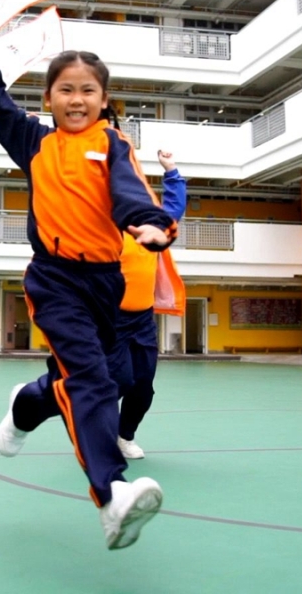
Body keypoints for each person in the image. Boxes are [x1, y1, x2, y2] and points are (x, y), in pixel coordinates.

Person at [0, 12, 177, 550]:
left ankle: (26, 404)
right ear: (49, 98)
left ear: (104, 100)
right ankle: (111, 494)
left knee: (81, 377)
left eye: (88, 90)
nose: (76, 99)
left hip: (105, 283)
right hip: (54, 279)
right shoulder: (34, 143)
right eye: (66, 89)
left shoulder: (113, 144)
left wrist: (151, 223)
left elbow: (130, 191)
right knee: (92, 379)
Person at [114, 150, 187, 461]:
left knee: (143, 387)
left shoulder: (153, 231)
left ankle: (124, 436)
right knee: (118, 380)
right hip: (110, 319)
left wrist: (171, 171)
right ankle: (96, 430)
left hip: (143, 319)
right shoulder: (108, 229)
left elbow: (173, 208)